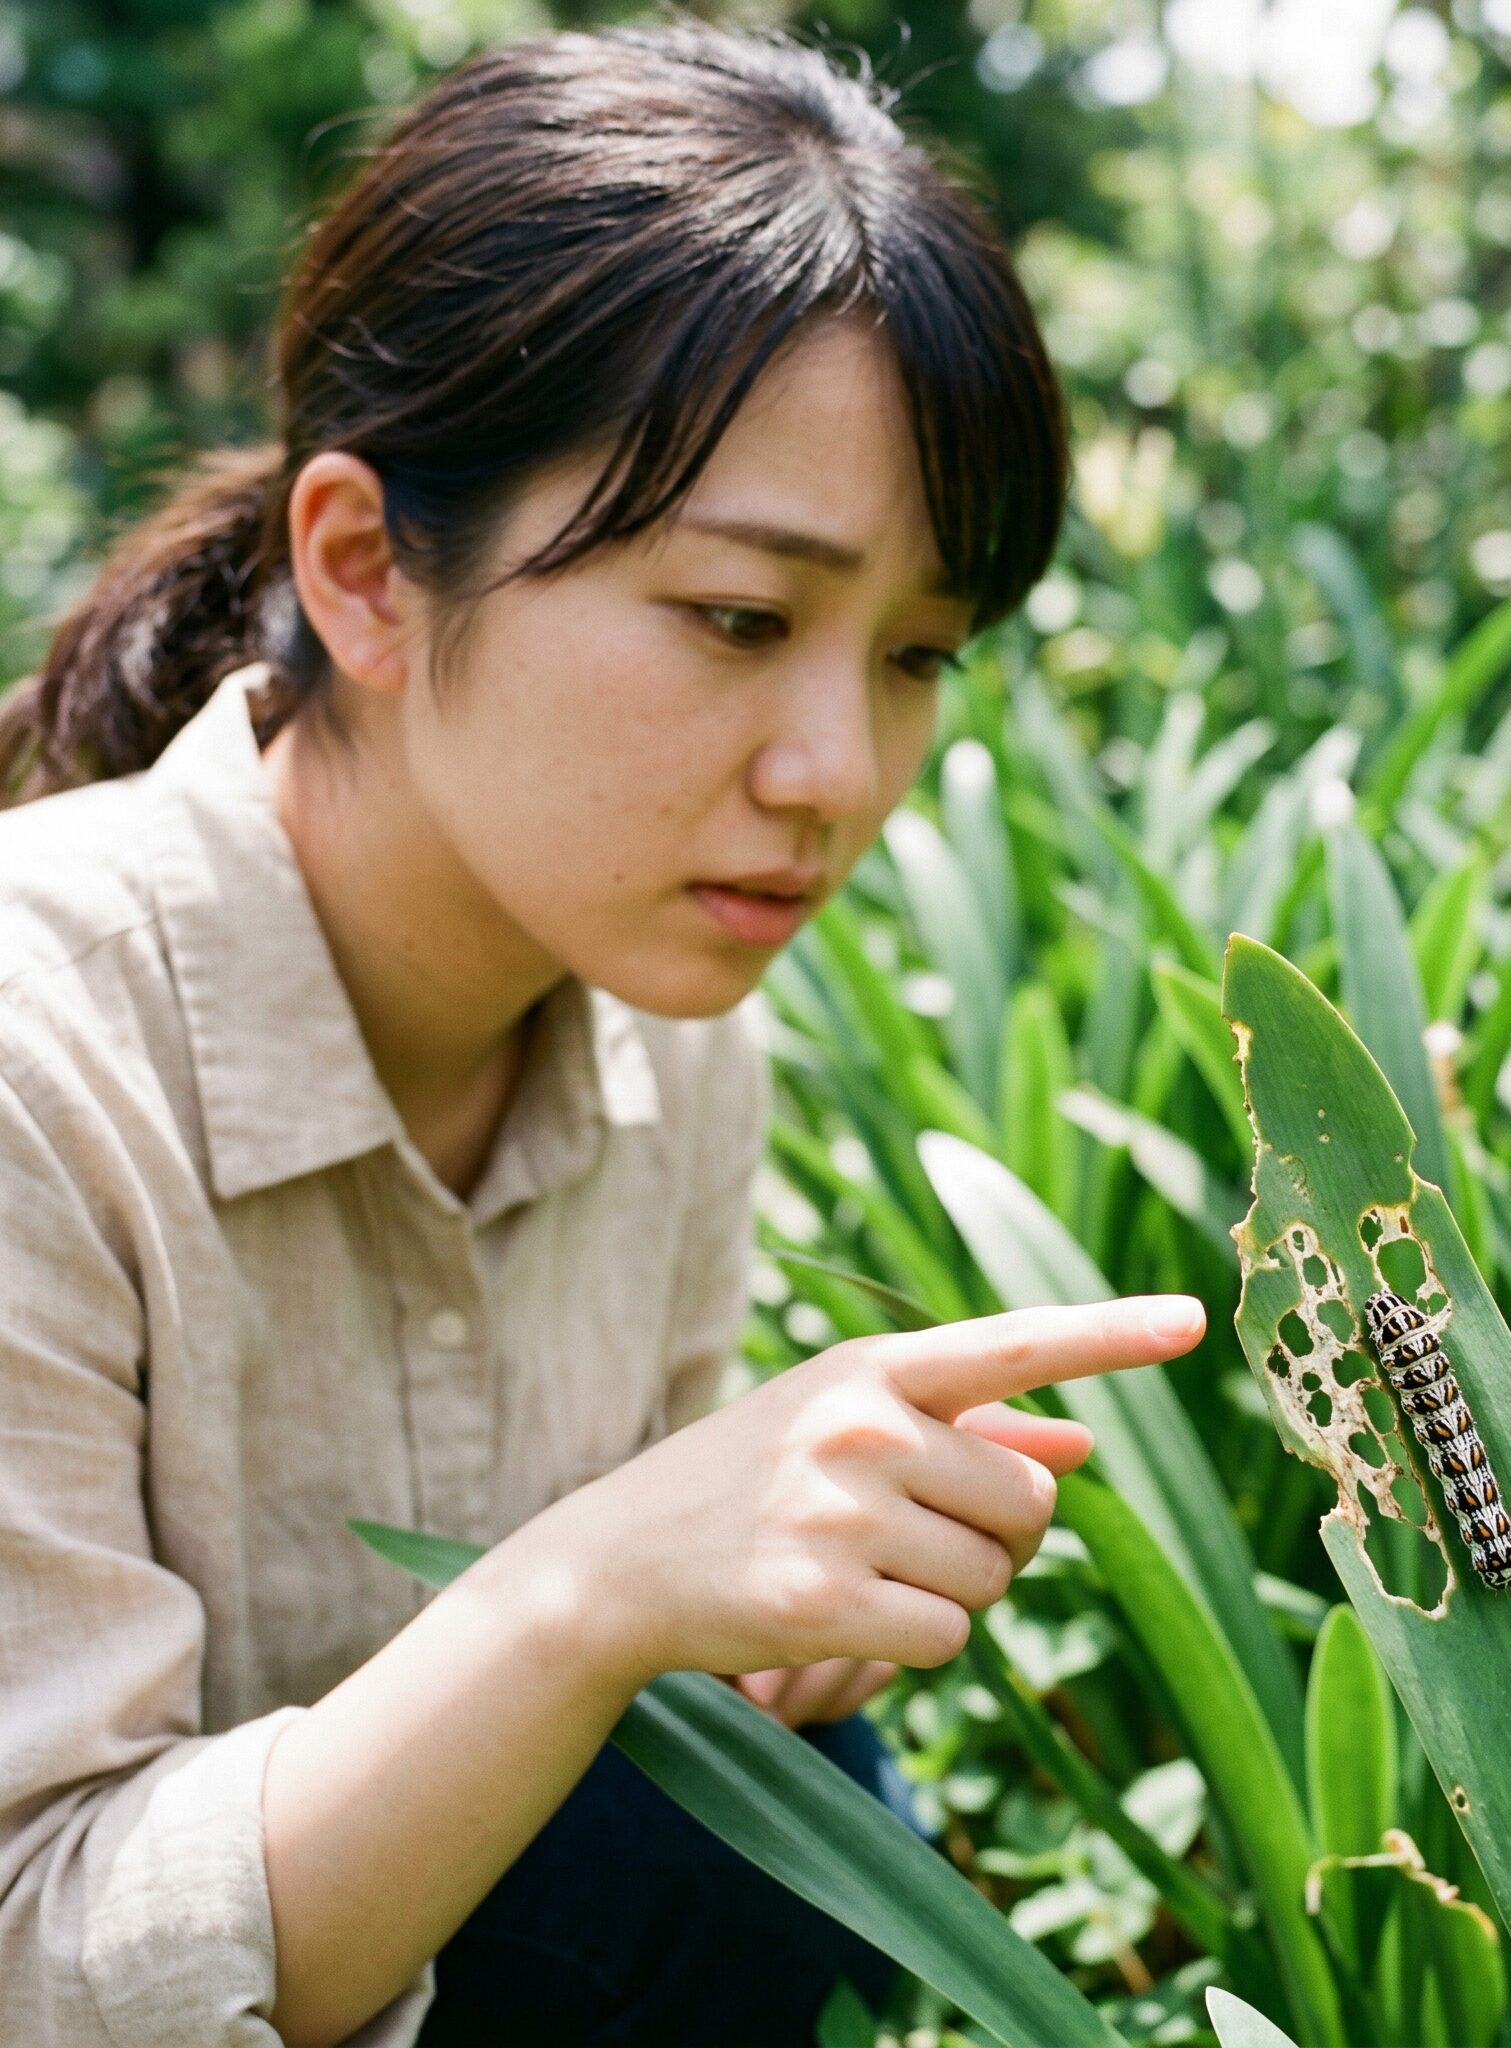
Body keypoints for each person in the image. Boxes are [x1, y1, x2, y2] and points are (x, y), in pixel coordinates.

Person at [0, 14, 1209, 2046]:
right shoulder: (41, 1059)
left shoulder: (675, 1049)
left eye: (918, 654)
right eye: (742, 616)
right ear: (368, 573)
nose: (841, 769)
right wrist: (589, 1591)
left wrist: (759, 1631)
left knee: (770, 1806)